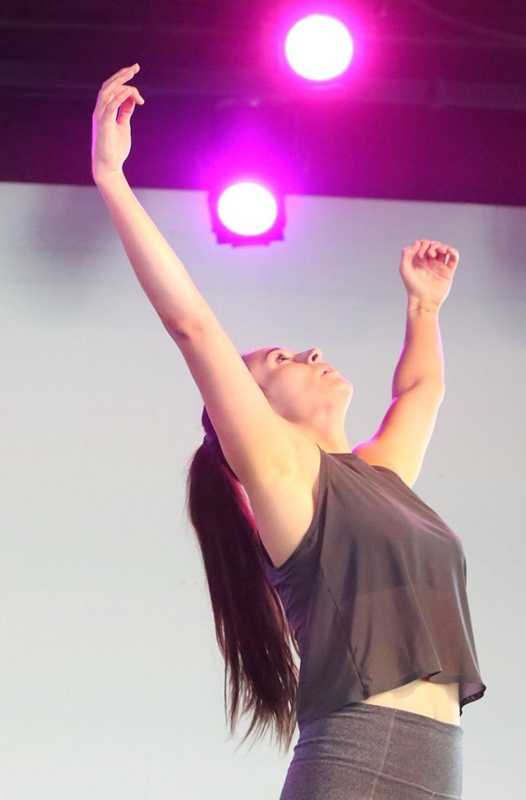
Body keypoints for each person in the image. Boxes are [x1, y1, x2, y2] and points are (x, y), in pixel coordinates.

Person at [92, 62, 486, 799]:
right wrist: (113, 179)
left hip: (436, 762)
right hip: (360, 756)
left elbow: (421, 390)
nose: (311, 353)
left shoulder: (379, 480)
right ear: (253, 410)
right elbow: (192, 326)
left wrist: (424, 308)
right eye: (280, 358)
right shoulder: (285, 482)